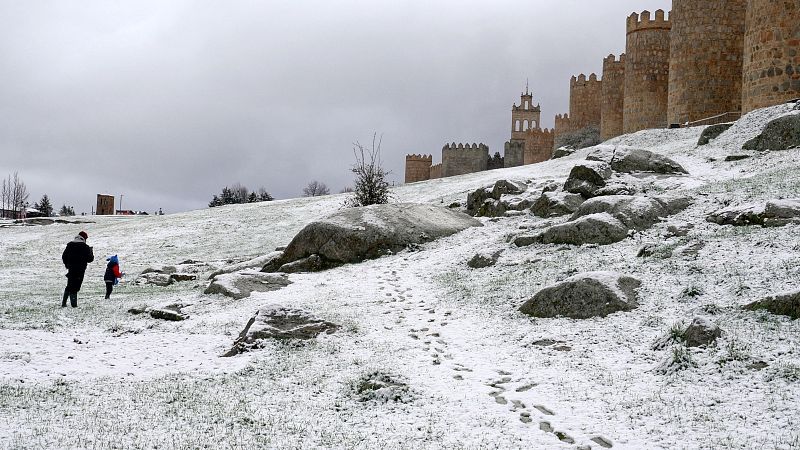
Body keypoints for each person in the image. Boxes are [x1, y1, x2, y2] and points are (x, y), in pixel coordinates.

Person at [61, 231, 94, 307]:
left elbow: (64, 256)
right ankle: (74, 305)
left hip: (71, 269)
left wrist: (67, 265)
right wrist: (91, 252)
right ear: (84, 238)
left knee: (69, 285)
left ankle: (64, 303)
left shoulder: (70, 245)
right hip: (80, 270)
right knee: (75, 287)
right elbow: (90, 259)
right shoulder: (85, 247)